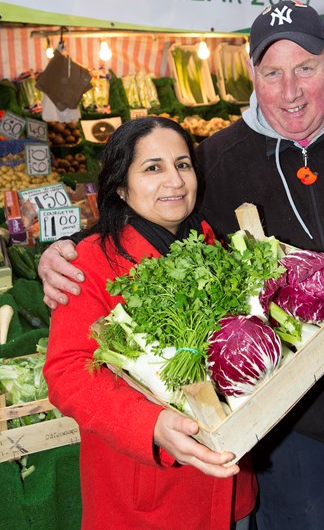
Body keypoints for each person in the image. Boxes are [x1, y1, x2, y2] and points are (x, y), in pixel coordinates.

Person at [39, 1, 324, 530]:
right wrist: (67, 245)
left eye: (305, 68)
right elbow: (149, 211)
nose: (289, 90)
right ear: (252, 74)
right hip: (291, 432)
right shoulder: (221, 159)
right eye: (272, 72)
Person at [42, 116, 257, 530]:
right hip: (149, 497)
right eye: (152, 168)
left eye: (182, 164)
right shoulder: (88, 263)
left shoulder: (214, 243)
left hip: (230, 488)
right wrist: (149, 425)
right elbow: (67, 373)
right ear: (121, 187)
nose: (174, 181)